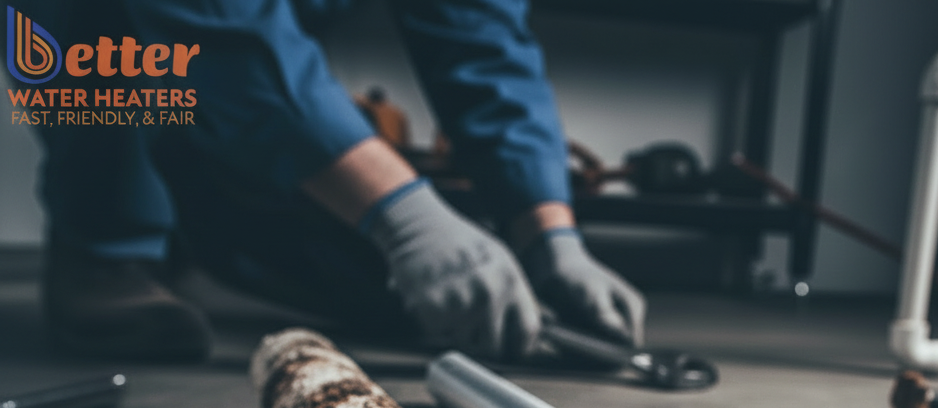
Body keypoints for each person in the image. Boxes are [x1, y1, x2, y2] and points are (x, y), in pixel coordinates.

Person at [34, 0, 645, 362]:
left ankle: (213, 199)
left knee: (402, 286)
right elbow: (216, 17)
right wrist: (404, 214)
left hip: (263, 50)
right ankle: (105, 245)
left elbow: (485, 43)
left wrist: (549, 233)